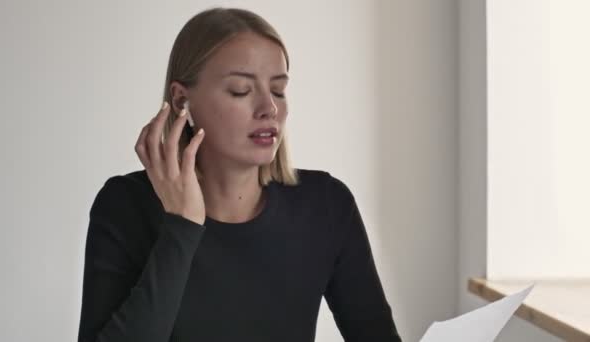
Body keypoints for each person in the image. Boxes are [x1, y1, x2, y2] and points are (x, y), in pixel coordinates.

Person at [77, 7, 401, 342]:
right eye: (240, 90)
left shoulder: (326, 206)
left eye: (278, 90)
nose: (269, 108)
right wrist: (182, 227)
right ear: (180, 101)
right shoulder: (125, 206)